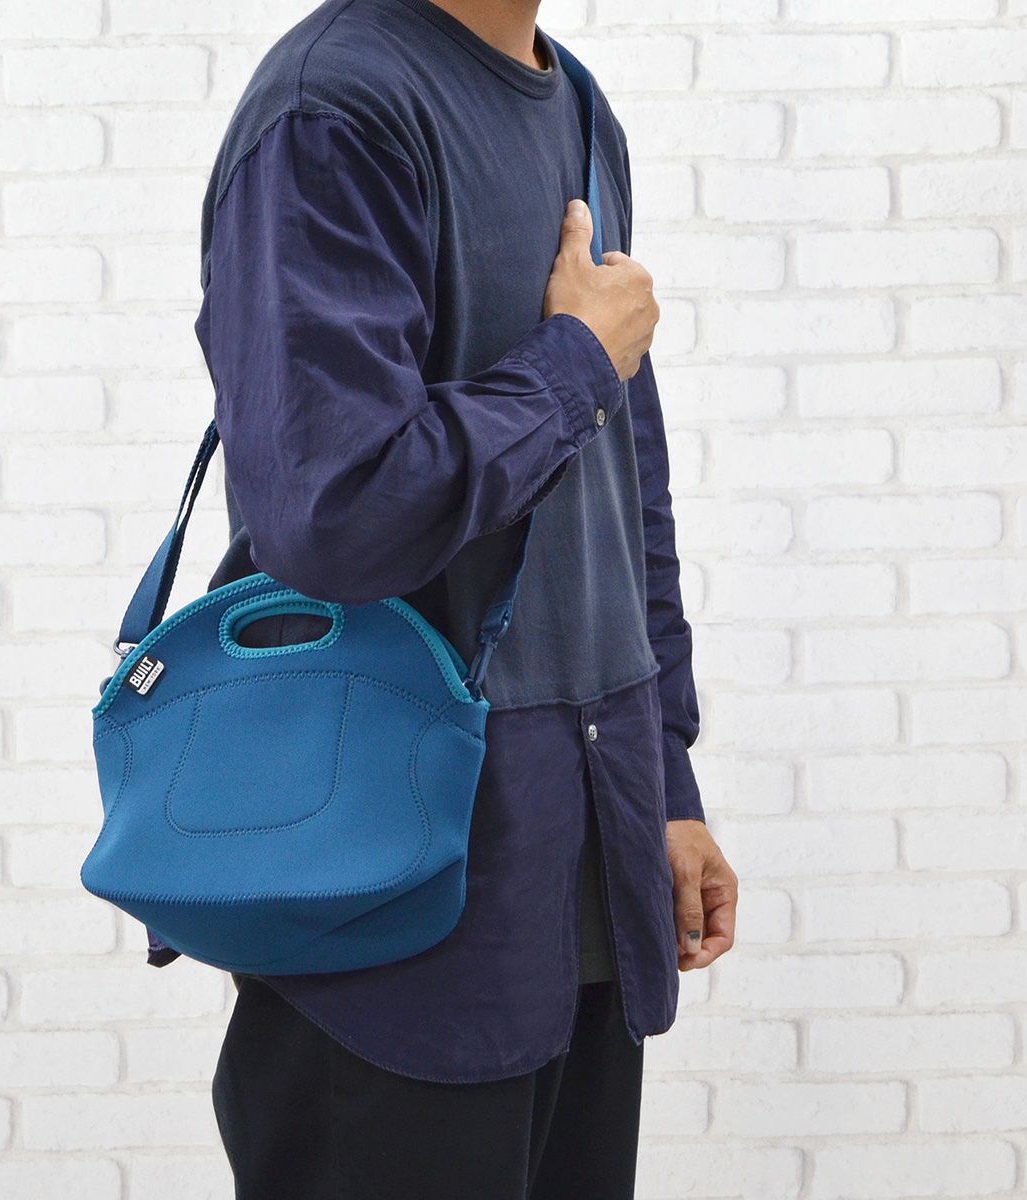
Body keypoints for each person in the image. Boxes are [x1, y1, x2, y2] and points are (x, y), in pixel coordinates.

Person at [186, 1, 739, 1195]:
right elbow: (333, 514)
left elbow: (620, 476)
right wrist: (576, 360)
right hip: (390, 915)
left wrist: (664, 781)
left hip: (582, 865)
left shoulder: (575, 101)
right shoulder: (333, 108)